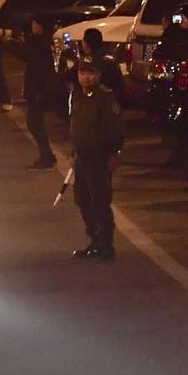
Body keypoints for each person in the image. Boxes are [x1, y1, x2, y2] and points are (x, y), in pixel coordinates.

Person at [68, 59, 123, 260]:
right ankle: (95, 239)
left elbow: (116, 129)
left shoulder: (106, 97)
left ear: (98, 75)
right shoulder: (78, 96)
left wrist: (115, 153)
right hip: (82, 158)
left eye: (90, 73)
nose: (86, 77)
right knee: (82, 199)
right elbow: (76, 127)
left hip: (99, 159)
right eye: (82, 72)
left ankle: (106, 245)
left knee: (100, 201)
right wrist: (73, 153)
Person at [20, 12, 59, 169]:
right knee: (35, 122)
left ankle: (47, 156)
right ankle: (47, 155)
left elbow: (37, 67)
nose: (32, 26)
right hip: (37, 88)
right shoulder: (41, 41)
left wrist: (38, 92)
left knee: (35, 123)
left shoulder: (42, 43)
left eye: (34, 23)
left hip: (37, 88)